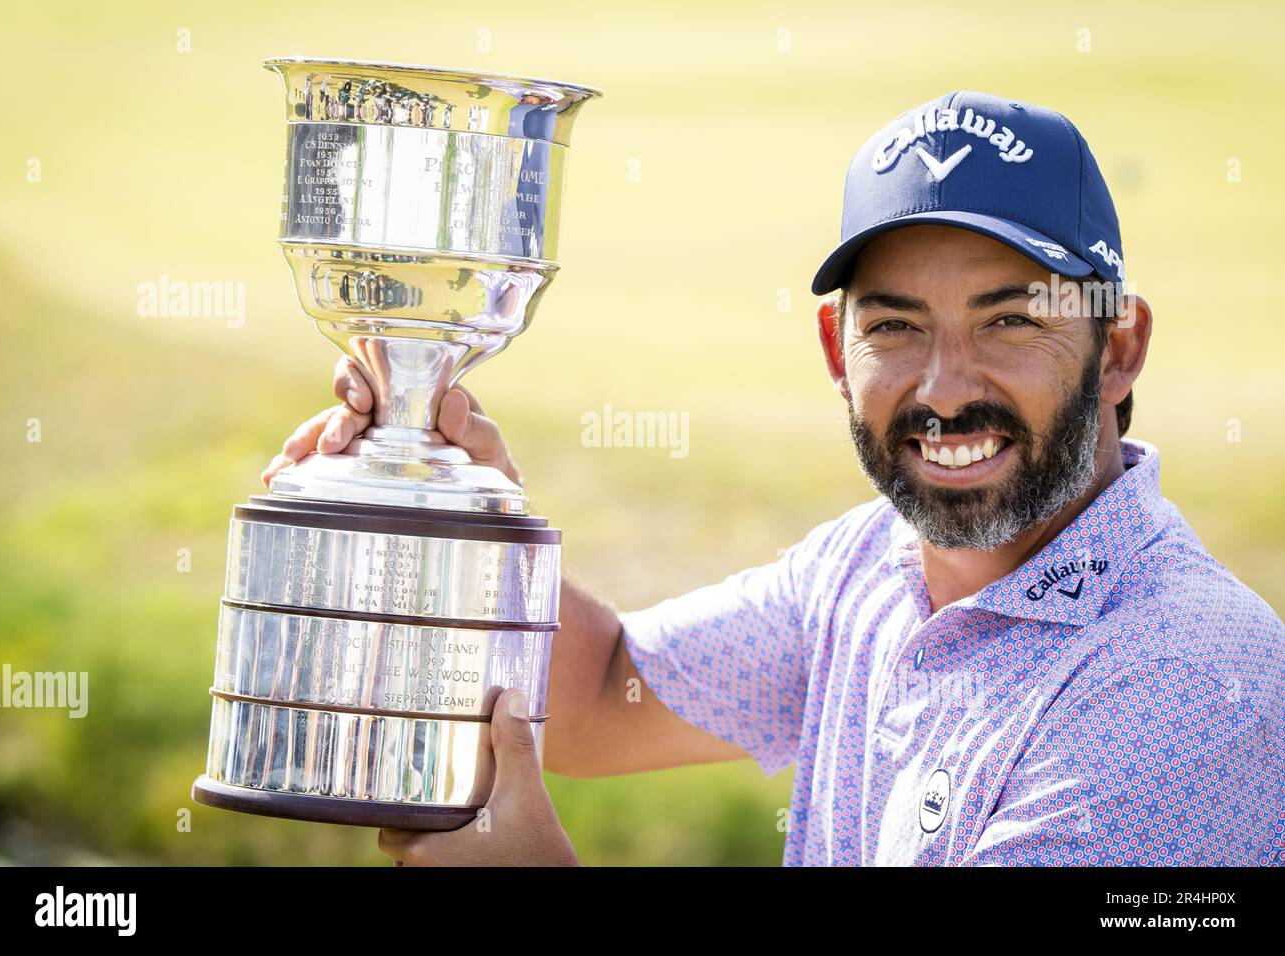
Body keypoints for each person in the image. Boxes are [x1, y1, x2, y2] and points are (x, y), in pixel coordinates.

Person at [264, 92, 1285, 866]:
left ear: (1118, 348)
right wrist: (454, 509)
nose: (944, 388)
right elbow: (597, 696)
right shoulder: (863, 569)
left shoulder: (1195, 677)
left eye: (1008, 319)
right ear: (838, 350)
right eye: (895, 325)